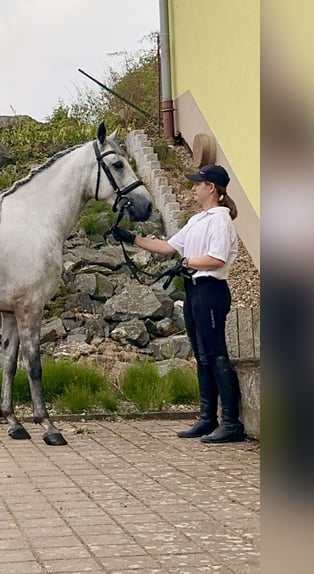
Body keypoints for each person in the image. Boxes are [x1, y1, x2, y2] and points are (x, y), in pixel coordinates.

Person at [112, 164, 245, 443]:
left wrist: (187, 262)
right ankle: (208, 418)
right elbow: (168, 247)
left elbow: (217, 259)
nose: (193, 188)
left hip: (211, 289)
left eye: (198, 184)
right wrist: (131, 238)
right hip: (194, 290)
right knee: (202, 355)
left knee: (216, 353)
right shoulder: (198, 220)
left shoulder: (219, 220)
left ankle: (231, 421)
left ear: (211, 188)